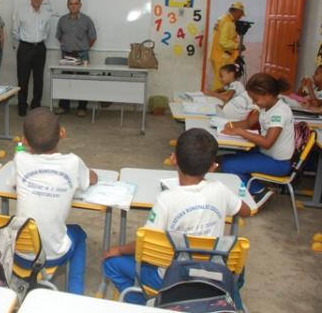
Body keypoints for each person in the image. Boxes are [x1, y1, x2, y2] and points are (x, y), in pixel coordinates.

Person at [102, 128, 251, 304]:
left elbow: (146, 242)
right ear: (212, 166)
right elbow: (246, 211)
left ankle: (144, 305)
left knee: (111, 264)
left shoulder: (166, 199)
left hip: (171, 278)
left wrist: (118, 249)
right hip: (212, 274)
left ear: (173, 159)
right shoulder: (220, 189)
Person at [8, 107, 97, 294]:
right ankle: (75, 294)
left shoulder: (20, 159)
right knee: (79, 233)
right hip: (52, 255)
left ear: (24, 141)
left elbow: (13, 183)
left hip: (20, 255)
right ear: (62, 133)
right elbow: (90, 179)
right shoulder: (73, 162)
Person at [221, 73, 294, 209]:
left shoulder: (279, 112)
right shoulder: (266, 106)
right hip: (266, 154)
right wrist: (232, 125)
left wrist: (241, 132)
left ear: (267, 94)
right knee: (230, 156)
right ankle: (244, 190)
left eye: (256, 99)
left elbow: (267, 142)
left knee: (229, 164)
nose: (254, 103)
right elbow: (249, 123)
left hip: (278, 163)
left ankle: (259, 191)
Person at [54, 0, 97, 117]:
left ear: (80, 5)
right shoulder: (62, 20)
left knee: (83, 82)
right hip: (66, 55)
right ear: (67, 5)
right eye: (71, 3)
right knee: (66, 81)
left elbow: (93, 37)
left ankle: (82, 107)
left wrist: (84, 48)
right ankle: (64, 106)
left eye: (76, 3)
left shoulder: (87, 20)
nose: (73, 6)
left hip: (82, 55)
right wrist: (67, 45)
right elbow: (59, 36)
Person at [13, 0, 52, 116]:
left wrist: (38, 41)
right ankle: (22, 107)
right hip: (25, 48)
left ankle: (36, 106)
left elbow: (47, 31)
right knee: (23, 79)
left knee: (38, 79)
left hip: (40, 48)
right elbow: (15, 31)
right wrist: (25, 43)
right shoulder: (21, 12)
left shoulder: (47, 13)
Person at [209, 2, 245, 90]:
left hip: (216, 54)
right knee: (222, 81)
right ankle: (216, 100)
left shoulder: (222, 19)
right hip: (222, 56)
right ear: (237, 12)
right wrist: (238, 46)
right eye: (240, 14)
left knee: (219, 79)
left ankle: (216, 99)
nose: (240, 17)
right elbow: (224, 42)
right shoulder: (228, 23)